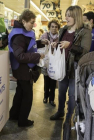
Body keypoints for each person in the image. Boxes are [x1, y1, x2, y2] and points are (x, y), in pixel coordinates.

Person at [49, 5, 92, 138]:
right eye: (66, 15)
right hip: (63, 67)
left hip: (75, 68)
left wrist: (70, 46)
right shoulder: (63, 30)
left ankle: (69, 117)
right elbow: (61, 44)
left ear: (76, 16)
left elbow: (84, 51)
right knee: (61, 92)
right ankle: (60, 111)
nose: (65, 17)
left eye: (68, 15)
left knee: (73, 95)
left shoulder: (85, 31)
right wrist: (56, 44)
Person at [8, 9, 45, 127]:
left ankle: (14, 115)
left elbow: (27, 45)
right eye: (31, 22)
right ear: (23, 21)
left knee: (20, 92)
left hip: (21, 69)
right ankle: (23, 120)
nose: (33, 25)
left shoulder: (22, 32)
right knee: (27, 96)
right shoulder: (19, 35)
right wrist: (37, 56)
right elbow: (20, 56)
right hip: (23, 69)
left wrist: (40, 42)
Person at [40, 19, 60, 107]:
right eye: (52, 27)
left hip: (55, 62)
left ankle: (52, 99)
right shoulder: (45, 35)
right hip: (46, 62)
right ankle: (45, 97)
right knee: (46, 81)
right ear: (49, 27)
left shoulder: (60, 37)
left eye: (56, 27)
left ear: (58, 28)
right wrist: (43, 43)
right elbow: (39, 45)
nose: (54, 29)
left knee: (53, 81)